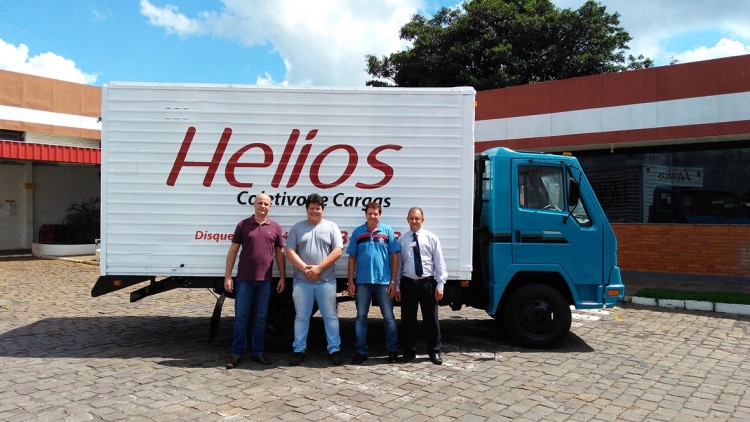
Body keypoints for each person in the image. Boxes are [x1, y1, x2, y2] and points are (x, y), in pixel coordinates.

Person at [224, 193, 286, 369]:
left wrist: (282, 276)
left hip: (265, 281)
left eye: (266, 203)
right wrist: (228, 276)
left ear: (270, 206)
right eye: (260, 203)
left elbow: (280, 254)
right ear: (254, 204)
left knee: (260, 318)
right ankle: (236, 354)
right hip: (244, 279)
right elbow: (233, 252)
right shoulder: (243, 225)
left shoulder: (275, 227)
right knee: (241, 318)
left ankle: (258, 352)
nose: (263, 206)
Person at [285, 194, 344, 366]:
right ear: (307, 210)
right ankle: (298, 350)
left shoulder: (332, 227)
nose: (315, 211)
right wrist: (306, 269)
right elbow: (290, 251)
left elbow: (337, 250)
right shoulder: (297, 228)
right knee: (301, 317)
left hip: (326, 281)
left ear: (322, 210)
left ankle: (334, 350)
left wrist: (319, 268)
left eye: (318, 208)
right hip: (302, 282)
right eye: (312, 208)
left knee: (330, 317)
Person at [346, 201, 401, 364]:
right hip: (362, 282)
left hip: (384, 282)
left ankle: (392, 351)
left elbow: (395, 256)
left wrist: (393, 281)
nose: (373, 216)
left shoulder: (387, 231)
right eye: (370, 213)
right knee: (361, 317)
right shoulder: (358, 232)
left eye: (375, 213)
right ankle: (361, 352)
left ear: (380, 215)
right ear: (366, 214)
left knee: (389, 317)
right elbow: (351, 258)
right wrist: (350, 281)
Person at [396, 207, 447, 365]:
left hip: (427, 284)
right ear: (407, 220)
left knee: (431, 318)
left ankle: (434, 351)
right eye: (411, 218)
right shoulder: (402, 240)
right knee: (408, 319)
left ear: (422, 220)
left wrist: (440, 284)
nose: (414, 221)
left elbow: (439, 262)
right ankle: (408, 350)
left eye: (417, 218)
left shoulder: (431, 238)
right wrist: (397, 286)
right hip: (408, 284)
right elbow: (398, 266)